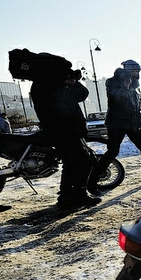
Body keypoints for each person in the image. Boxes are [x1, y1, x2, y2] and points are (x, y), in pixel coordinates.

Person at [88, 61, 141, 193]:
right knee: (113, 151)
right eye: (135, 72)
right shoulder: (113, 82)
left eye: (138, 72)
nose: (137, 74)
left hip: (132, 123)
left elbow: (134, 102)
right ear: (128, 71)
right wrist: (126, 87)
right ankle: (92, 183)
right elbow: (119, 98)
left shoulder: (134, 85)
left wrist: (139, 111)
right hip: (117, 124)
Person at [30, 70, 101, 210]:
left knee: (71, 164)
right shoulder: (56, 90)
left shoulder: (45, 87)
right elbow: (82, 94)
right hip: (65, 132)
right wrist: (73, 81)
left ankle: (66, 197)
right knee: (83, 161)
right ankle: (77, 195)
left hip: (62, 132)